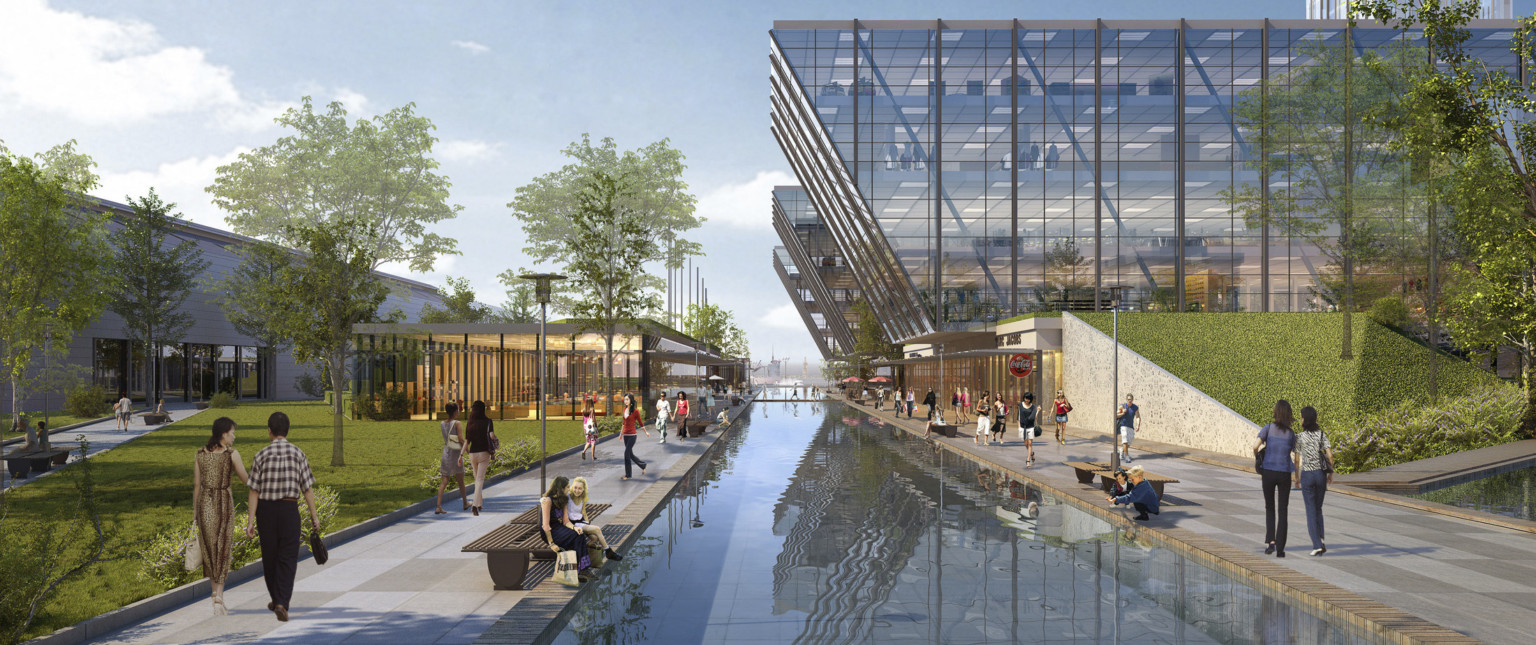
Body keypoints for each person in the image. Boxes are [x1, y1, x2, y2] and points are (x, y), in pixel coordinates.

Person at [245, 411, 320, 622]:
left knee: (270, 557)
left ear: (269, 431)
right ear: (287, 431)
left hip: (266, 512)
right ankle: (281, 602)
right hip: (289, 509)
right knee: (288, 557)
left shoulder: (261, 455)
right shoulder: (298, 454)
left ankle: (276, 598)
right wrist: (314, 516)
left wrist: (250, 520)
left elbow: (253, 491)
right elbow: (307, 489)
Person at [194, 416, 250, 615]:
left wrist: (195, 514)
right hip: (224, 503)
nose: (234, 436)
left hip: (204, 504)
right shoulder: (232, 455)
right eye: (232, 432)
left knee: (209, 548)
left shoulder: (200, 454)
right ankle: (219, 595)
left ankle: (214, 593)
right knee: (223, 547)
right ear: (224, 434)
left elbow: (197, 485)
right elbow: (246, 479)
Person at [1253, 399, 1299, 558]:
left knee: (1269, 507)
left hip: (1268, 472)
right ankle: (1280, 549)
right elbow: (1297, 455)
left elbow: (1255, 446)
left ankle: (1270, 542)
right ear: (1289, 415)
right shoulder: (1291, 434)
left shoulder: (1268, 428)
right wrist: (1298, 476)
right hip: (1284, 473)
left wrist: (1258, 458)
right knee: (1283, 509)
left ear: (1276, 412)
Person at [540, 476, 597, 583]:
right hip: (549, 532)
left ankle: (581, 570)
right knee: (575, 537)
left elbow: (566, 521)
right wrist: (551, 544)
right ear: (560, 488)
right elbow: (545, 525)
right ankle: (581, 570)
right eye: (567, 487)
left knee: (578, 534)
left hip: (559, 527)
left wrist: (575, 528)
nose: (569, 489)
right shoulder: (547, 501)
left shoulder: (564, 499)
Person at [1296, 405, 1334, 556]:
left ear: (1304, 419)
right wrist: (1330, 474)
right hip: (1320, 475)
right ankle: (1322, 538)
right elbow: (1330, 455)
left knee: (1310, 510)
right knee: (1318, 508)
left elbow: (1297, 459)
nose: (1300, 419)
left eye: (1301, 417)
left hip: (1307, 475)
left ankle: (1317, 544)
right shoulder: (1321, 434)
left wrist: (1296, 477)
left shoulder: (1300, 437)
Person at [566, 477, 623, 562]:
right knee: (597, 529)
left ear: (583, 489)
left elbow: (584, 512)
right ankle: (608, 551)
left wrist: (588, 526)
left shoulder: (582, 498)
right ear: (572, 487)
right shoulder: (568, 497)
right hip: (572, 523)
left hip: (581, 522)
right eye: (575, 487)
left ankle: (585, 552)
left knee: (595, 538)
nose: (577, 490)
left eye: (580, 488)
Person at [464, 400, 497, 516]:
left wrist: (461, 453)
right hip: (484, 454)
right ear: (483, 409)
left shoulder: (470, 422)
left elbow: (467, 440)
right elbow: (492, 436)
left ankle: (479, 504)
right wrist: (494, 439)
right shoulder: (488, 421)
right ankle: (474, 505)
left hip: (472, 454)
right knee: (480, 479)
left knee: (477, 479)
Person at [436, 403, 467, 514]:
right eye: (458, 410)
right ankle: (465, 503)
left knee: (444, 481)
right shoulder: (457, 423)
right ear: (455, 412)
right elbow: (461, 439)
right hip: (456, 454)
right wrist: (468, 450)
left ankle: (438, 506)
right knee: (461, 481)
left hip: (446, 452)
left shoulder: (442, 424)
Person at [620, 394, 650, 480]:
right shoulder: (624, 409)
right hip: (625, 435)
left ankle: (628, 475)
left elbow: (640, 422)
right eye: (625, 399)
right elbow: (623, 422)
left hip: (632, 436)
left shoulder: (635, 411)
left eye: (627, 400)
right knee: (630, 454)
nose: (625, 401)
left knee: (626, 454)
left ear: (631, 401)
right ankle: (643, 465)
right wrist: (621, 434)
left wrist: (646, 432)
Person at [1117, 394, 1142, 463]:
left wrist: (1138, 425)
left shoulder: (1135, 407)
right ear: (1126, 400)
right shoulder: (1122, 406)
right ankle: (1126, 456)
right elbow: (1116, 415)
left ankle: (1121, 450)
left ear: (1132, 400)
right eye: (1128, 399)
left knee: (1129, 442)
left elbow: (1137, 417)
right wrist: (1122, 413)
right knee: (1125, 441)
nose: (1129, 401)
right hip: (1123, 426)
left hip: (1130, 427)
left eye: (1131, 399)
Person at [1018, 393, 1039, 466]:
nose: (1026, 400)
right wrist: (1018, 426)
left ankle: (1028, 460)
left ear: (1030, 399)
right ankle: (1032, 453)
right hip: (1022, 427)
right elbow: (1019, 416)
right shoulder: (1020, 405)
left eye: (1028, 398)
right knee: (1026, 444)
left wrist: (1038, 411)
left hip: (1030, 427)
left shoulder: (1033, 407)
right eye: (1025, 398)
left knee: (1030, 443)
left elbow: (1034, 417)